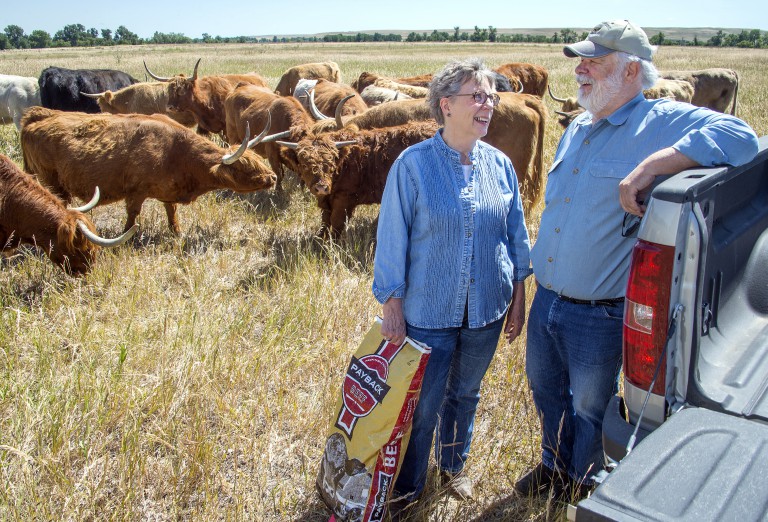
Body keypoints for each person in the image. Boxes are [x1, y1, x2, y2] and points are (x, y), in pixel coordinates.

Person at [515, 19, 760, 502]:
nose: (580, 71)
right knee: (545, 392)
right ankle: (552, 464)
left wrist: (652, 166)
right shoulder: (580, 126)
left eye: (593, 61)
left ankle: (582, 481)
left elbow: (743, 139)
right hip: (548, 298)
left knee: (590, 405)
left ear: (630, 71)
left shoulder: (660, 121)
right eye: (581, 62)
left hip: (599, 310)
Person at [372, 58, 532, 509]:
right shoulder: (413, 166)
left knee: (466, 393)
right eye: (477, 97)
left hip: (487, 307)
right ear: (446, 105)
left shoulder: (501, 166)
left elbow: (516, 235)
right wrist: (392, 303)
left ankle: (453, 469)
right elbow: (392, 240)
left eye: (491, 98)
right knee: (422, 406)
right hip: (428, 311)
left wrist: (519, 296)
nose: (488, 105)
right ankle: (408, 487)